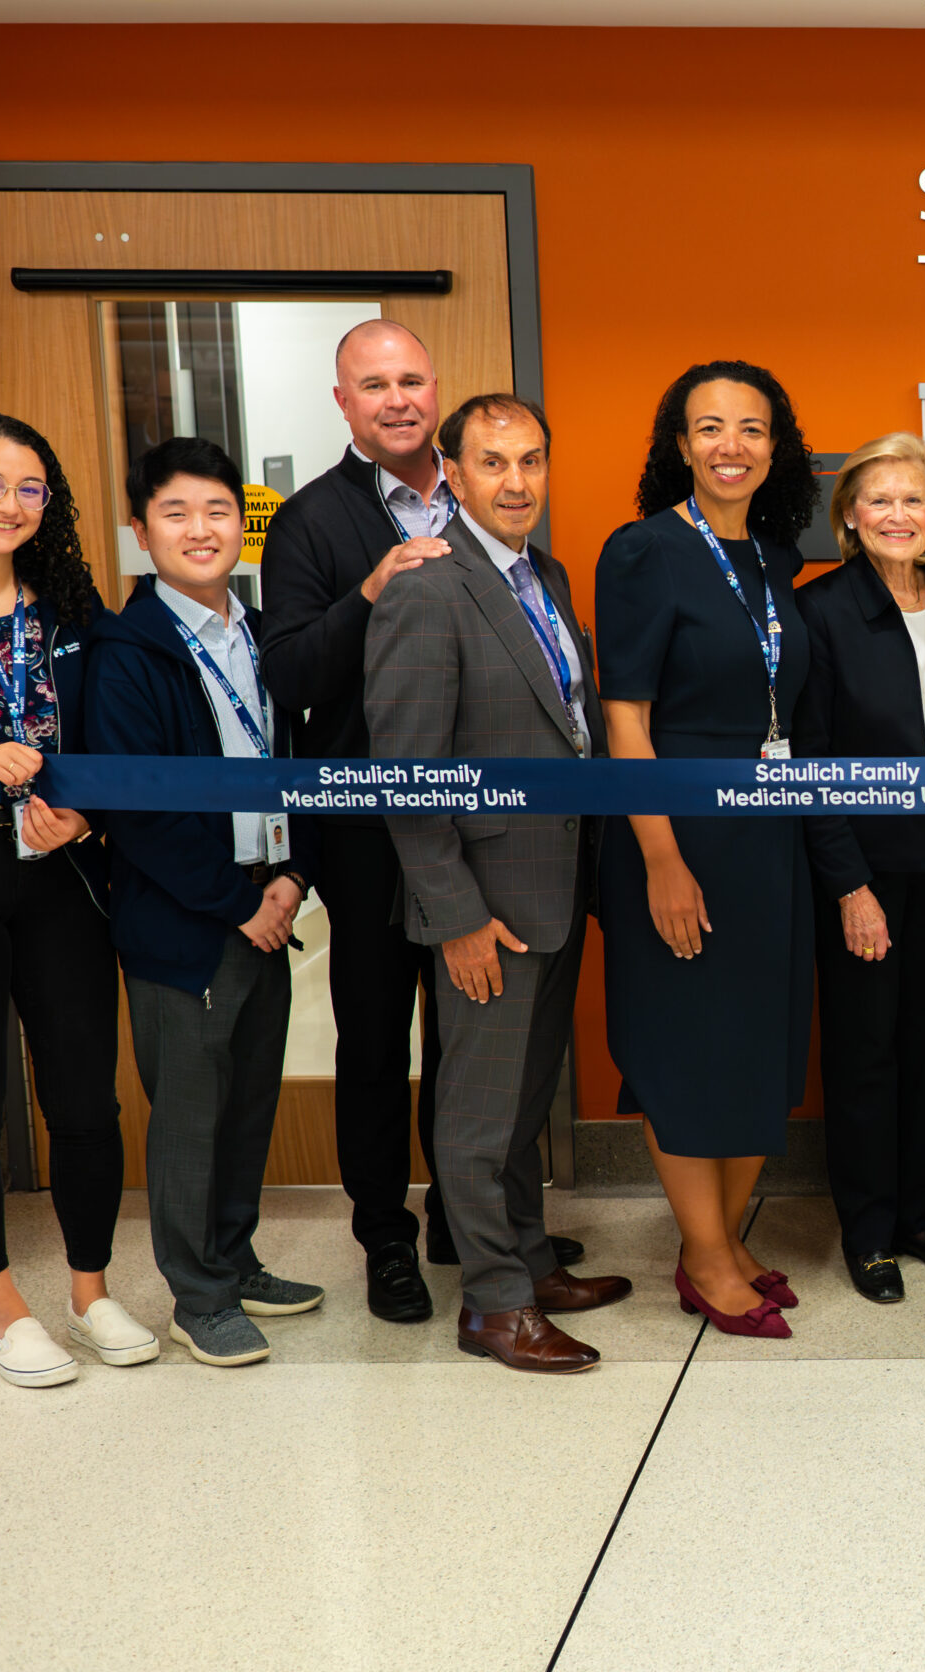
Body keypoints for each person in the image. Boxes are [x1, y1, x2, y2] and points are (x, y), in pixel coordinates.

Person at [261, 317, 581, 1324]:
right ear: (344, 401)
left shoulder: (525, 559)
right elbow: (301, 681)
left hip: (503, 847)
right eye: (375, 382)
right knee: (377, 1042)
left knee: (485, 1059)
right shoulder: (326, 525)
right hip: (380, 834)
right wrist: (372, 589)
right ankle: (398, 1242)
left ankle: (488, 1233)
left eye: (412, 378)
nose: (397, 396)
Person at [364, 395, 631, 1373]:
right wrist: (457, 916)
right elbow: (406, 769)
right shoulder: (427, 588)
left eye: (531, 460)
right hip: (482, 900)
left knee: (520, 1106)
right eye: (492, 462)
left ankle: (527, 1260)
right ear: (453, 474)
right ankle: (493, 1305)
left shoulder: (542, 574)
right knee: (479, 1115)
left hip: (553, 883)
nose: (516, 481)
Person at [89, 438, 328, 1366]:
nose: (201, 529)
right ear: (142, 528)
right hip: (187, 921)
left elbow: (301, 765)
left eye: (219, 511)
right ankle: (198, 1295)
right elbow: (136, 807)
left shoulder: (264, 634)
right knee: (190, 1114)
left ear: (244, 522)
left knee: (248, 1103)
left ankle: (234, 1258)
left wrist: (292, 878)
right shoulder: (127, 649)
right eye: (177, 513)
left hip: (268, 902)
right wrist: (239, 900)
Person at [597, 361, 816, 1338]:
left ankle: (721, 1241)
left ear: (777, 446)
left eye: (753, 427)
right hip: (677, 832)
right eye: (710, 427)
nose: (733, 444)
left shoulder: (778, 557)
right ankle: (704, 1254)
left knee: (756, 1046)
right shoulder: (642, 551)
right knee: (687, 1046)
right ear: (679, 444)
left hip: (767, 841)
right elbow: (625, 715)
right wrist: (660, 857)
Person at [0, 409, 143, 1388]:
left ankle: (92, 1289)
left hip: (59, 874)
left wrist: (89, 814)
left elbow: (110, 739)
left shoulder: (67, 606)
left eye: (29, 488)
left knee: (85, 1100)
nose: (7, 504)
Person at [794, 433, 925, 1303]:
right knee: (865, 1056)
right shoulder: (823, 610)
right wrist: (848, 887)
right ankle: (869, 1234)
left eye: (916, 501)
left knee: (924, 1048)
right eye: (880, 501)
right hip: (867, 878)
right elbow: (810, 758)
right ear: (849, 516)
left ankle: (918, 1216)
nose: (899, 516)